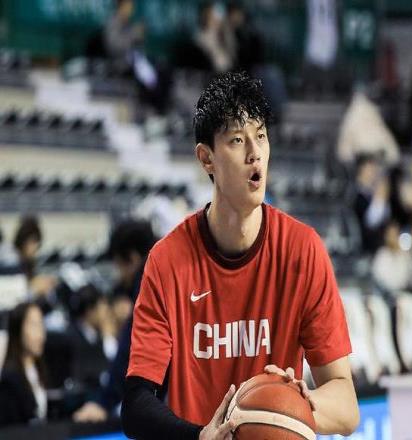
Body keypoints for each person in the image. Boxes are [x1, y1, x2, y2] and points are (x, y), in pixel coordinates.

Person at [121, 72, 359, 438]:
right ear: (207, 159)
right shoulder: (167, 261)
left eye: (260, 136)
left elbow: (346, 408)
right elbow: (136, 404)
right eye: (237, 139)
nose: (254, 153)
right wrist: (200, 436)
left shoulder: (303, 250)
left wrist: (293, 402)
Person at [73, 220, 157, 422]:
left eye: (119, 266)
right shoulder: (176, 265)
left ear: (132, 258)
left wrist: (104, 402)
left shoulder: (149, 280)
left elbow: (132, 345)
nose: (120, 276)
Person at [0, 302, 48, 426]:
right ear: (18, 329)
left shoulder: (41, 370)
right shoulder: (9, 380)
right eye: (34, 325)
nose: (40, 334)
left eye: (41, 324)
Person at [353, 154, 391, 254]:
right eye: (370, 169)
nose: (374, 172)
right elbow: (371, 222)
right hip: (364, 247)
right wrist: (380, 198)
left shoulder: (371, 194)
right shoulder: (355, 195)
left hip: (379, 246)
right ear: (361, 169)